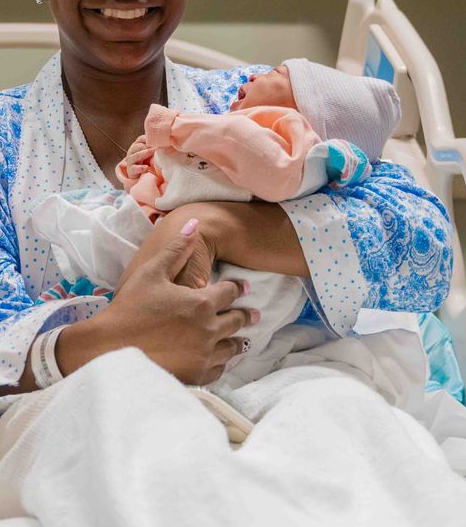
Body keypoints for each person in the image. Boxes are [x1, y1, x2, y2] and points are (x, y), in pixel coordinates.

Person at [0, 0, 454, 424]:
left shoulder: (263, 105)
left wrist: (214, 226)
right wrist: (117, 339)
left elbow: (426, 256)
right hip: (90, 421)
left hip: (282, 405)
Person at [23, 58, 409, 395]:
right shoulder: (235, 133)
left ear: (305, 110)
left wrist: (175, 128)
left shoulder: (274, 134)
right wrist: (141, 166)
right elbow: (175, 183)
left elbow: (246, 151)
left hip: (227, 277)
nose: (253, 78)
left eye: (275, 74)